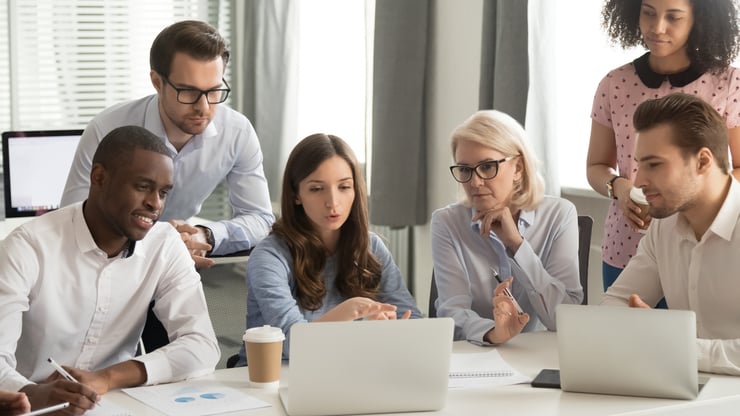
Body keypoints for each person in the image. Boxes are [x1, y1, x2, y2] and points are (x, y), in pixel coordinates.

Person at [0, 126, 220, 412]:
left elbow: (202, 346)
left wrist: (106, 378)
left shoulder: (164, 244)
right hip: (30, 408)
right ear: (99, 177)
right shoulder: (28, 246)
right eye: (143, 187)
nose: (155, 203)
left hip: (113, 403)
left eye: (163, 192)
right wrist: (34, 394)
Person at [61, 20, 274, 269]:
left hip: (180, 262)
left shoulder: (237, 132)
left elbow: (261, 220)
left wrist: (205, 235)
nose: (203, 107)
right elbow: (73, 219)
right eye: (188, 91)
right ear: (157, 82)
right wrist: (164, 241)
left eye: (214, 91)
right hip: (106, 262)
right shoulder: (107, 129)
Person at [586, 0, 740, 294]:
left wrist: (686, 199)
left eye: (674, 17)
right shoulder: (614, 83)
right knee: (624, 333)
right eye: (648, 13)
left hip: (702, 248)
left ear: (698, 19)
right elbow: (596, 166)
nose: (657, 28)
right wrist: (619, 188)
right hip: (625, 247)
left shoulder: (731, 83)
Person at [235, 134, 422, 364]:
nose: (333, 202)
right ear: (296, 195)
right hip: (274, 379)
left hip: (347, 371)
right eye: (316, 189)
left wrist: (390, 329)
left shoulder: (371, 246)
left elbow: (412, 318)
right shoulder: (269, 257)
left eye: (344, 187)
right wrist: (349, 312)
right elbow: (293, 344)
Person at [602, 92, 740, 375]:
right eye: (639, 164)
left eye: (654, 165)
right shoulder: (663, 228)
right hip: (680, 393)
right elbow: (616, 304)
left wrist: (674, 345)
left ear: (703, 161)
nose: (638, 182)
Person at [431, 110, 583, 346]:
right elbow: (453, 310)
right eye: (464, 169)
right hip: (477, 355)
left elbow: (565, 319)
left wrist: (518, 245)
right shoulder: (447, 223)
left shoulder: (559, 215)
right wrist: (494, 332)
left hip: (539, 355)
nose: (475, 182)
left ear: (518, 168)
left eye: (487, 166)